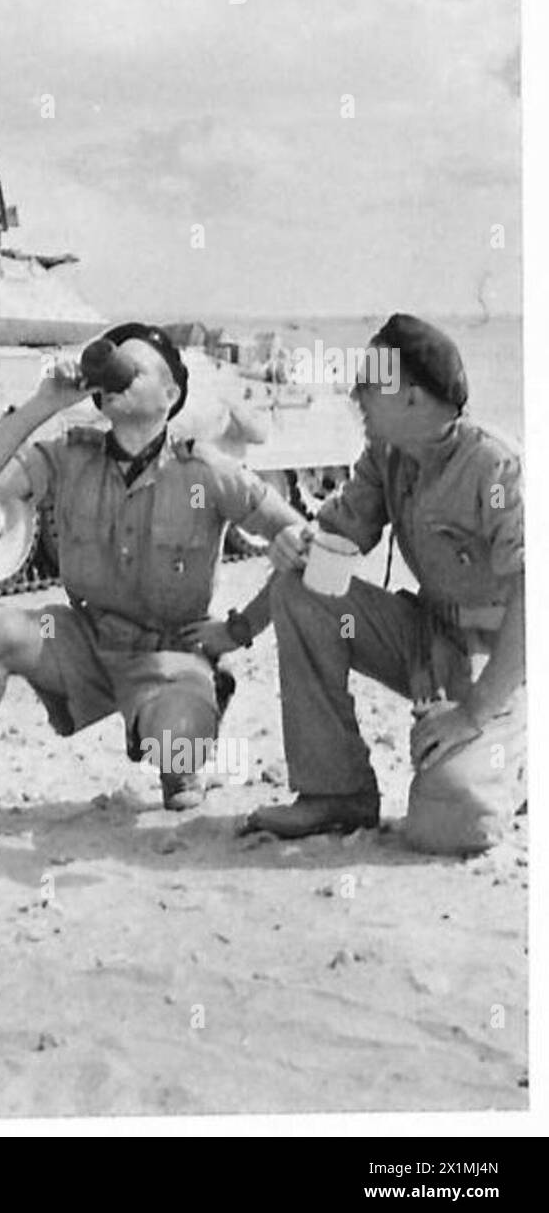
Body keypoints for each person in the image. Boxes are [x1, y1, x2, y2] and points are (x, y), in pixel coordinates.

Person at [0, 323, 303, 810]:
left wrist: (239, 629)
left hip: (167, 651)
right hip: (84, 639)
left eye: (135, 367)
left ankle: (181, 752)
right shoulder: (71, 456)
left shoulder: (204, 471)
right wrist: (45, 403)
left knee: (178, 738)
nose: (119, 374)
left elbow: (300, 544)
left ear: (170, 394)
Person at [246, 314, 525, 849]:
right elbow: (327, 544)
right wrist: (240, 626)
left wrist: (473, 713)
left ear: (414, 399)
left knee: (450, 820)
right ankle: (335, 793)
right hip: (428, 638)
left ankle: (521, 754)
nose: (355, 395)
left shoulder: (497, 469)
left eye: (369, 384)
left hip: (504, 663)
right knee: (303, 589)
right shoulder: (388, 457)